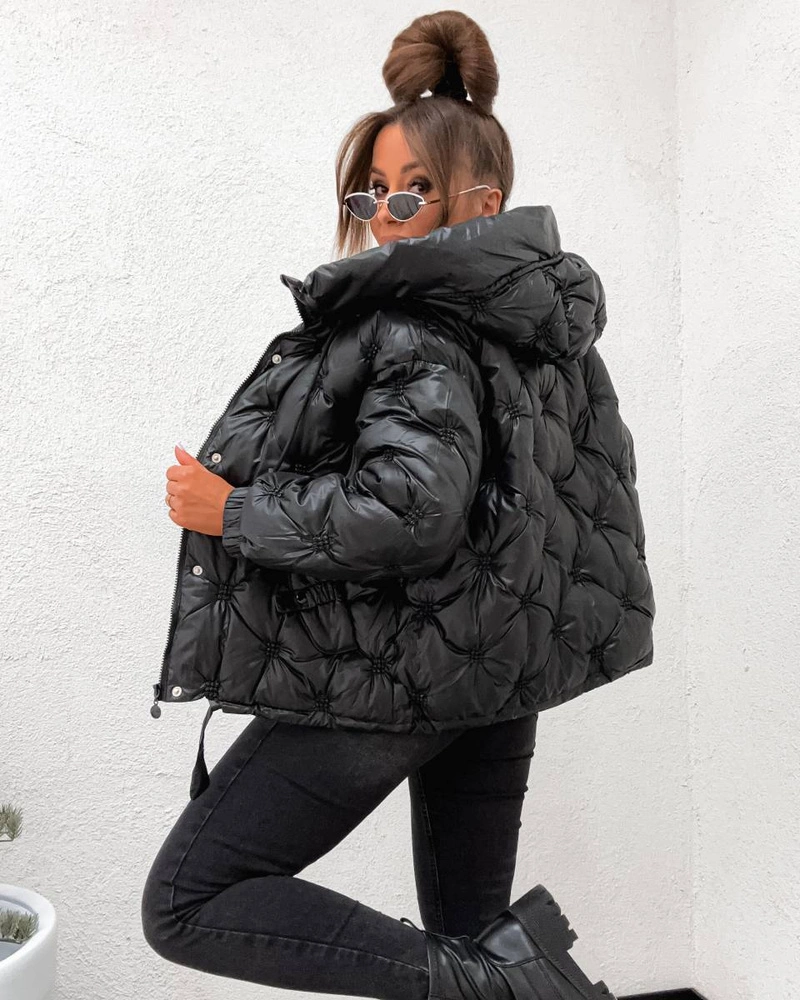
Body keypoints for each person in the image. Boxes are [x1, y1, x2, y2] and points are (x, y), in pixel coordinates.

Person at [141, 10, 654, 1000]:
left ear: (481, 201)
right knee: (472, 934)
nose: (383, 212)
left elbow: (410, 509)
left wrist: (229, 510)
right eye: (371, 190)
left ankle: (502, 982)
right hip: (497, 668)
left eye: (411, 191)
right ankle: (510, 975)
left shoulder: (416, 323)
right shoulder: (539, 327)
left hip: (406, 663)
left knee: (187, 899)